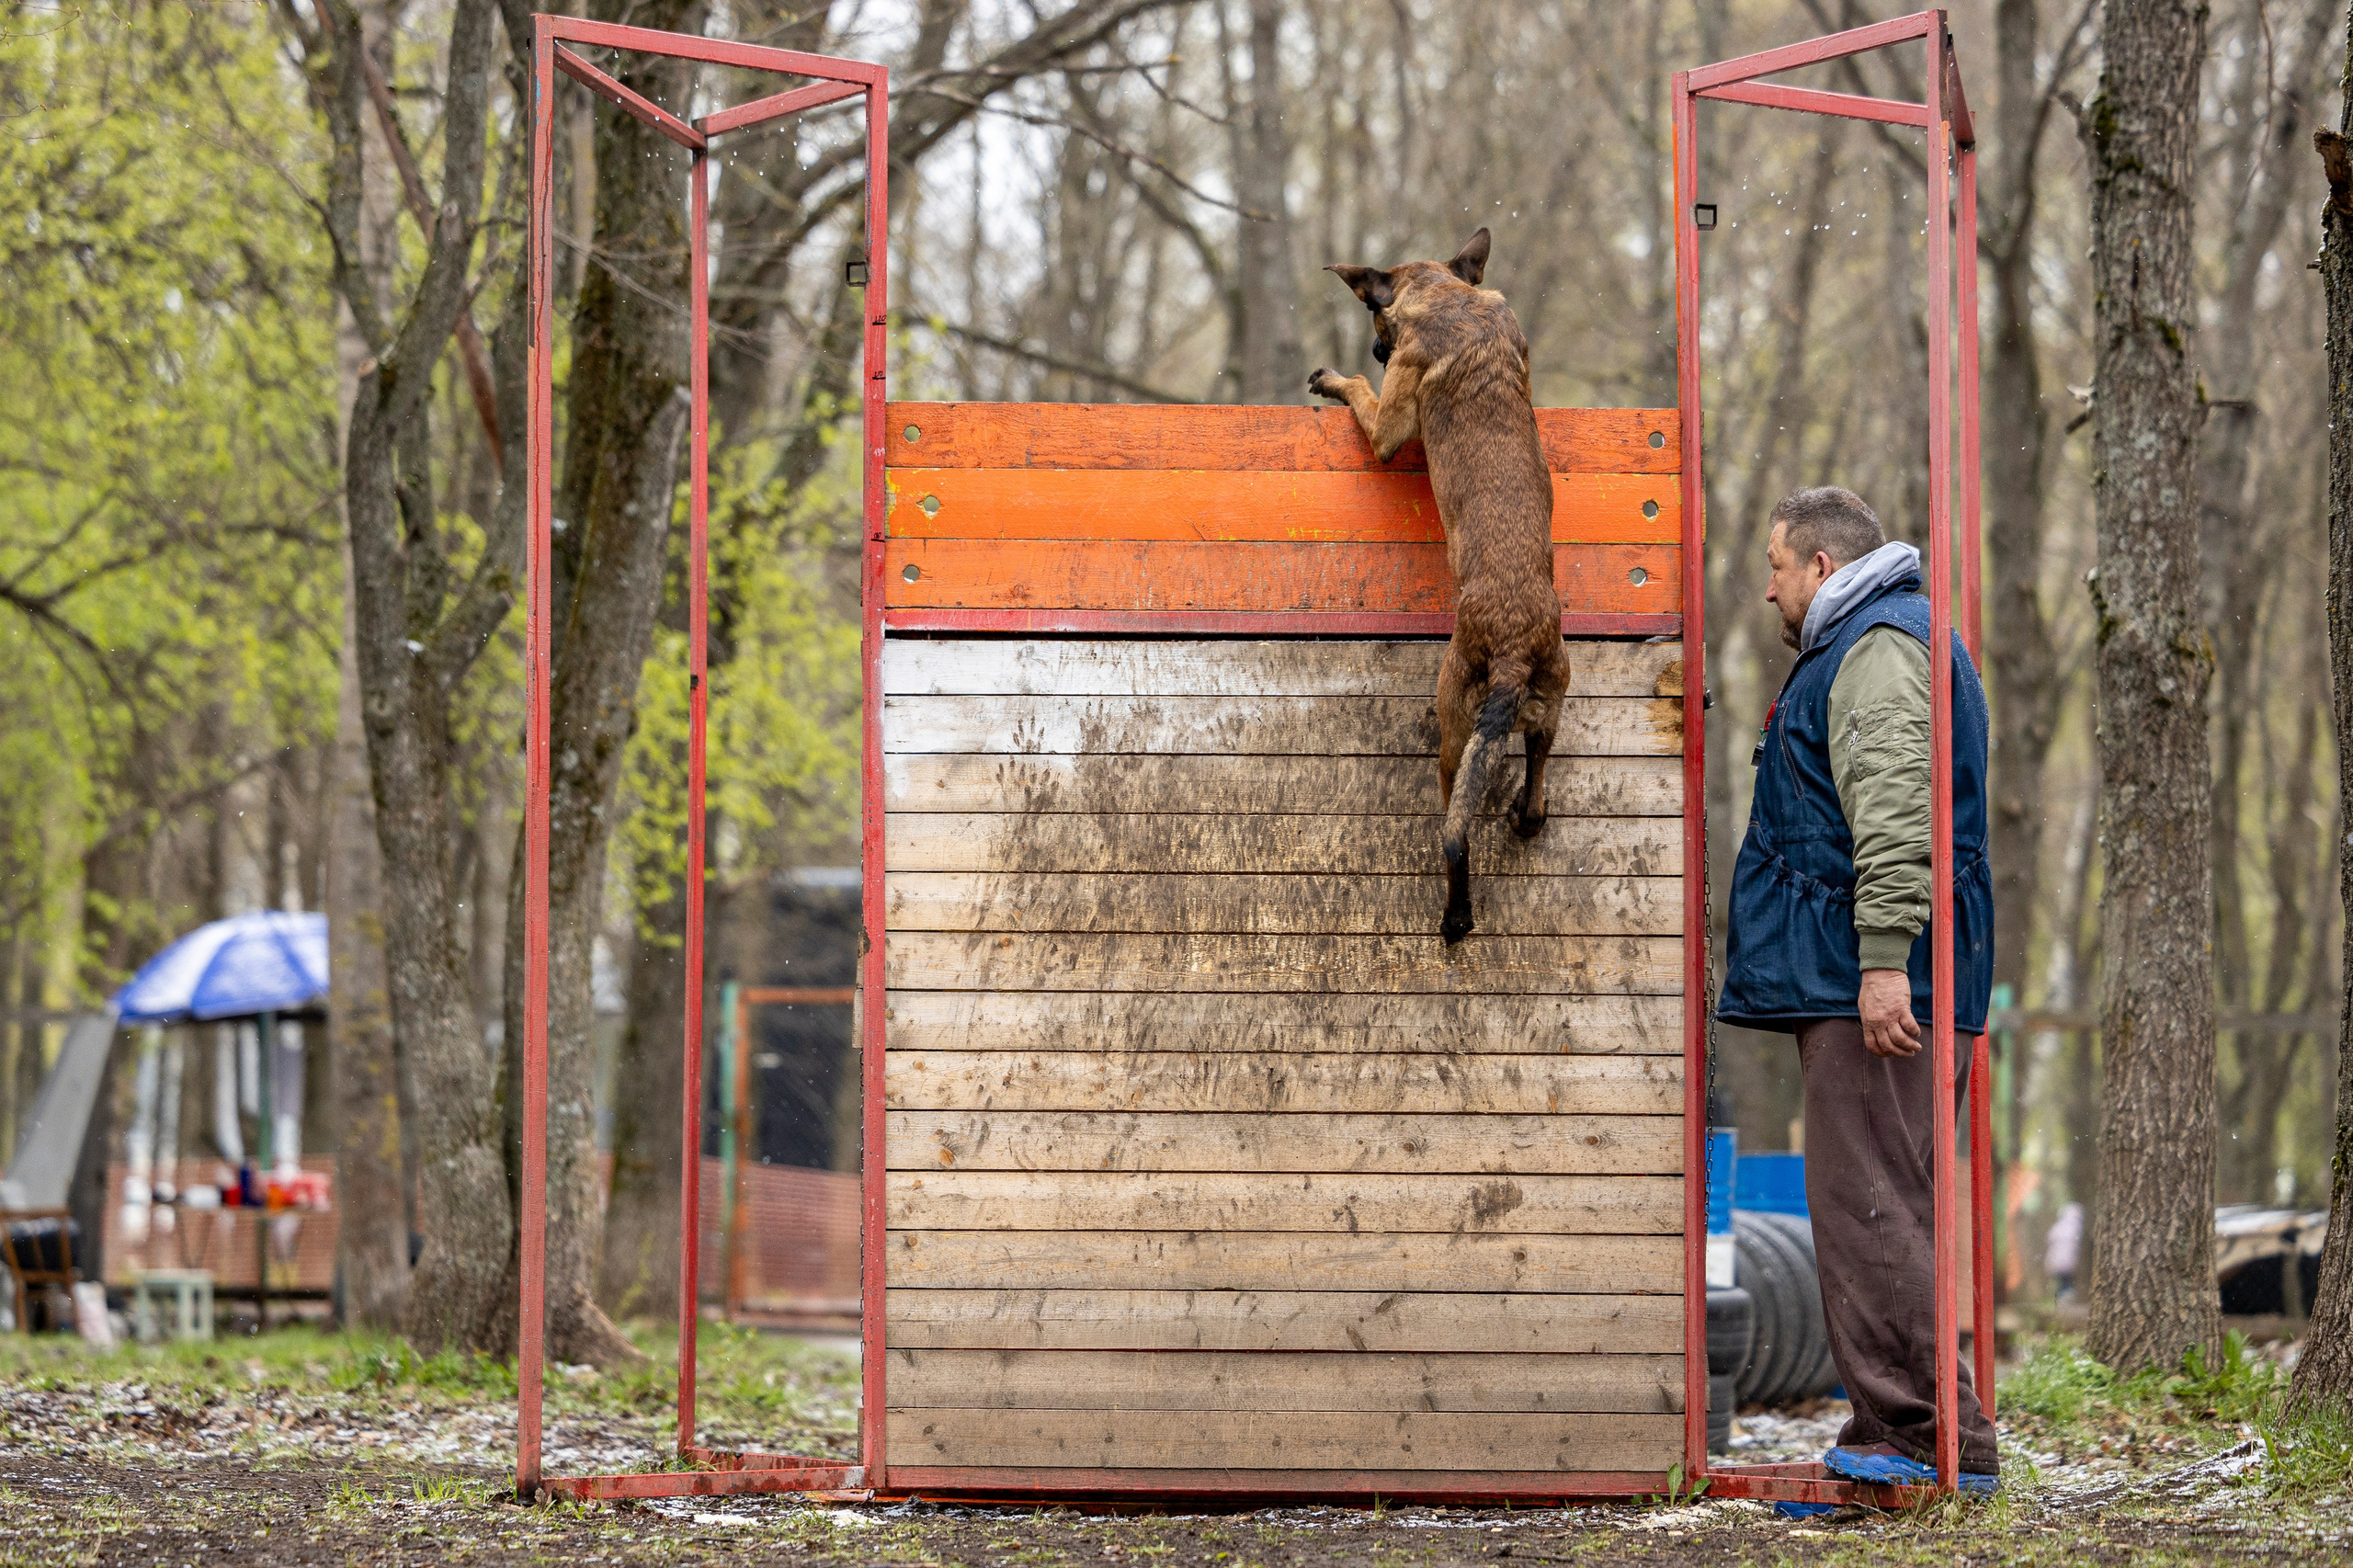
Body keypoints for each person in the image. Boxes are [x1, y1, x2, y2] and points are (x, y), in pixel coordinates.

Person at [1717, 486, 1998, 1491]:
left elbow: (1893, 810)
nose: (1767, 589)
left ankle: (1922, 1441)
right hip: (1875, 971)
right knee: (1883, 1201)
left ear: (1823, 567)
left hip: (1875, 978)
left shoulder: (1876, 645)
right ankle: (1915, 1428)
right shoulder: (1879, 640)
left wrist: (1883, 962)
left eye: (1777, 565)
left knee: (1865, 1203)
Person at [2046, 1201, 2084, 1302]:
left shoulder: (2059, 1226)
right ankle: (2065, 1300)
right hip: (2068, 1261)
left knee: (2062, 1281)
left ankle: (2062, 1301)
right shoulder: (2076, 1227)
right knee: (2066, 1282)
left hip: (2058, 1261)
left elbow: (2050, 1239)